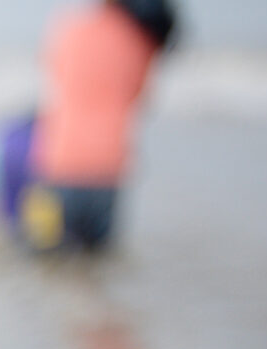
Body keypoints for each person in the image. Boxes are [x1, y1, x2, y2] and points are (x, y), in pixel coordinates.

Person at [17, 0, 177, 256]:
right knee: (97, 261)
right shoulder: (139, 41)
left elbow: (53, 74)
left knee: (45, 258)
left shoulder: (68, 27)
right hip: (109, 166)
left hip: (59, 162)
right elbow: (139, 95)